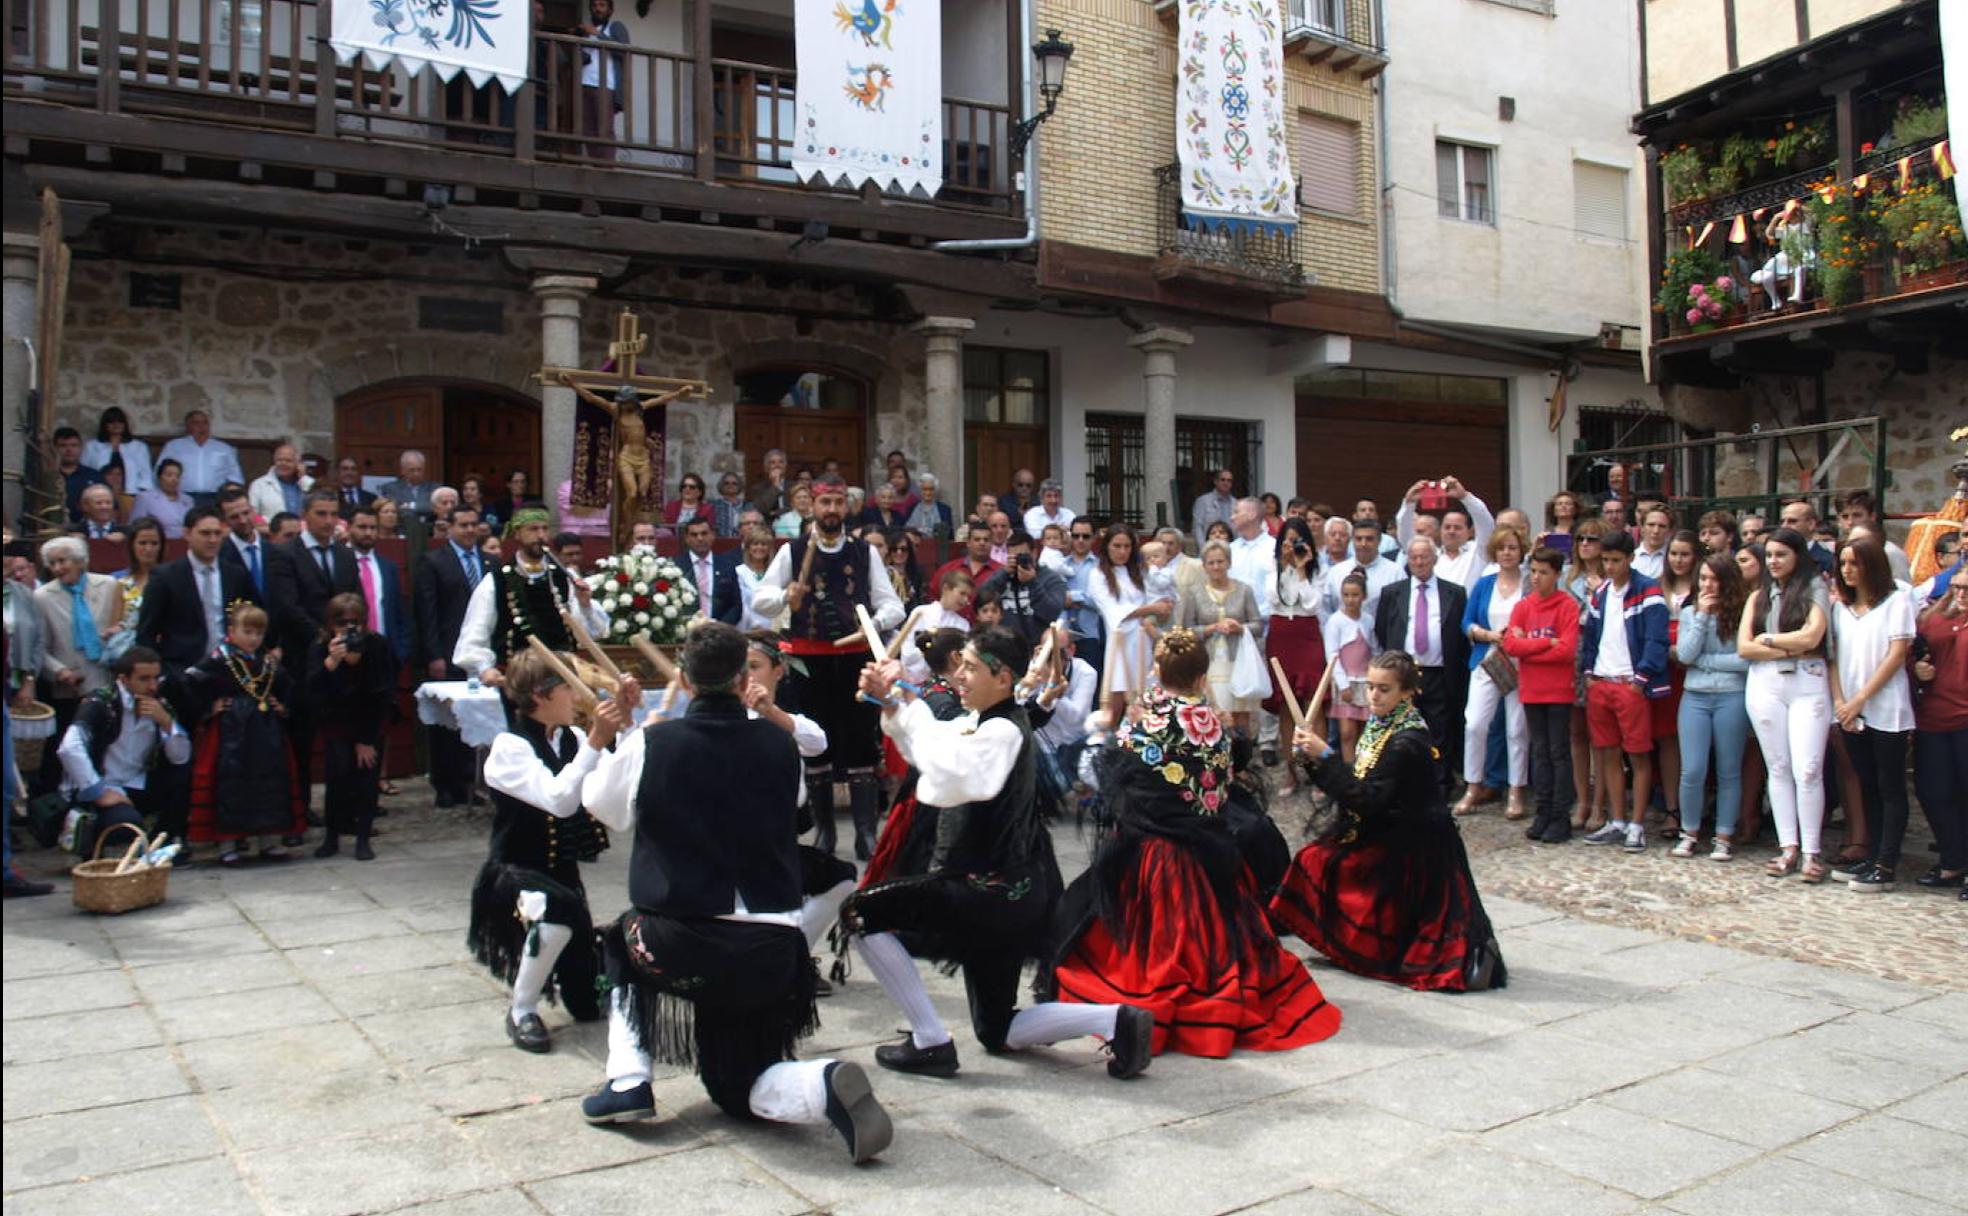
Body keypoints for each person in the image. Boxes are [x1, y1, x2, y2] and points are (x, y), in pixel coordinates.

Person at [575, 625, 895, 1160]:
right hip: (773, 950)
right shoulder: (780, 743)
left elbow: (601, 807)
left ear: (683, 680)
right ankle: (822, 1082)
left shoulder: (654, 743)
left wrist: (620, 740)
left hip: (682, 938)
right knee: (737, 1085)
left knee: (619, 940)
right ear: (743, 678)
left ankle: (629, 1079)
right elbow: (791, 807)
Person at [846, 628, 1157, 1081]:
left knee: (859, 914)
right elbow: (930, 750)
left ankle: (929, 1040)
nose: (960, 676)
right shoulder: (981, 719)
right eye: (961, 666)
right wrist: (893, 703)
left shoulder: (1001, 730)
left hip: (982, 892)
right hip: (1009, 893)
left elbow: (952, 770)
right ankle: (1114, 1020)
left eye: (971, 668)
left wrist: (905, 702)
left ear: (1004, 676)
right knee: (997, 1029)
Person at [1043, 629, 1341, 1058]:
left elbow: (1118, 779)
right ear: (1202, 677)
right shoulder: (1214, 725)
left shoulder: (1148, 723)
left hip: (1158, 852)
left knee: (1150, 943)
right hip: (1209, 847)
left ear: (1158, 672)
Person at [1272, 651, 1507, 992]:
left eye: (1384, 689)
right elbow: (1359, 780)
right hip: (1387, 827)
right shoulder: (1383, 725)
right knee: (1318, 857)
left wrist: (1325, 756)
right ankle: (1347, 945)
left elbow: (1367, 798)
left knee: (1320, 861)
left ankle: (1360, 948)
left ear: (1407, 692)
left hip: (1412, 844)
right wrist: (1312, 760)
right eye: (1370, 687)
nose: (1374, 696)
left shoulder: (1407, 741)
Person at [471, 647, 619, 1050]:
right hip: (516, 873)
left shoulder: (570, 738)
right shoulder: (509, 747)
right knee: (557, 916)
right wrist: (596, 742)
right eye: (569, 687)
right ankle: (522, 1009)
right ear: (540, 695)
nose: (578, 695)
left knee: (587, 1005)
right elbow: (559, 800)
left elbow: (612, 791)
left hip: (562, 873)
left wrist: (628, 723)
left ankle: (597, 954)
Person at [748, 484, 905, 859]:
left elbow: (894, 606)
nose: (832, 509)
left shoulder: (864, 551)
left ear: (847, 507)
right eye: (825, 502)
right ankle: (825, 834)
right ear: (813, 507)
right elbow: (760, 601)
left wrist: (870, 622)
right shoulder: (792, 550)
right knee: (814, 743)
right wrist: (787, 596)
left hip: (854, 659)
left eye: (838, 502)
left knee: (860, 743)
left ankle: (867, 834)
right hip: (807, 661)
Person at [1737, 526, 1832, 881]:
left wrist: (1772, 638)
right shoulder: (1759, 595)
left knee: (1807, 767)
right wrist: (1789, 645)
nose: (1774, 562)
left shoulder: (1814, 588)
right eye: (1770, 555)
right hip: (1766, 682)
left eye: (1782, 555)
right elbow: (1744, 646)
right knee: (1777, 765)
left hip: (1807, 680)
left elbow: (1814, 636)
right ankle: (1788, 845)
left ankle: (1811, 850)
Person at [180, 603, 303, 864]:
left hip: (265, 729)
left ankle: (269, 840)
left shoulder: (267, 662)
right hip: (230, 730)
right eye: (247, 632)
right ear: (232, 631)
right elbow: (188, 681)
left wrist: (283, 706)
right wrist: (209, 708)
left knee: (269, 780)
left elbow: (288, 686)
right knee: (230, 782)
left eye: (259, 634)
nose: (253, 639)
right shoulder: (219, 659)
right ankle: (228, 844)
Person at [1827, 536, 1916, 892]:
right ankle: (1871, 853)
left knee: (1890, 785)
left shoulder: (1897, 602)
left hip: (1884, 707)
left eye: (1854, 563)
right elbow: (1834, 658)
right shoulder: (1840, 608)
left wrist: (1860, 699)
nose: (1847, 570)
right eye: (1843, 563)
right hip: (1850, 710)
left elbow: (1896, 655)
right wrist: (1841, 702)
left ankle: (1887, 862)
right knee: (1866, 784)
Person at [267, 490, 361, 812]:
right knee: (301, 740)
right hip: (302, 660)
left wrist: (347, 639)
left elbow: (355, 602)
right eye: (321, 514)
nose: (328, 521)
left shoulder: (345, 555)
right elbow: (286, 606)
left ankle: (345, 809)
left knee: (343, 737)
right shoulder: (285, 554)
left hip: (342, 659)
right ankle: (299, 809)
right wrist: (324, 639)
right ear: (305, 515)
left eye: (333, 514)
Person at [1578, 530, 1670, 853]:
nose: (1610, 566)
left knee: (1639, 753)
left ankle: (1637, 824)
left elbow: (1657, 639)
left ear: (1630, 558)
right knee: (1607, 752)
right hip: (1602, 681)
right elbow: (1590, 636)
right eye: (1605, 560)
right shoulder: (1600, 592)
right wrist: (1589, 673)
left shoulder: (1648, 590)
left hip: (1630, 683)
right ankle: (1617, 819)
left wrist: (1641, 678)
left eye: (1616, 560)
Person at [56, 646, 193, 858]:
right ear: (124, 679)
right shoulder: (101, 702)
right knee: (125, 824)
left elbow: (180, 756)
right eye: (144, 679)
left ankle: (161, 843)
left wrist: (166, 723)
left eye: (156, 678)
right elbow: (69, 747)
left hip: (135, 783)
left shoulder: (159, 705)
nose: (152, 686)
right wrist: (98, 792)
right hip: (102, 786)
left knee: (181, 777)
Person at [453, 508, 608, 684]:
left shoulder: (564, 577)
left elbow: (591, 634)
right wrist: (484, 668)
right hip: (518, 681)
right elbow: (475, 631)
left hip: (564, 679)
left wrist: (585, 605)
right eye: (533, 529)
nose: (541, 535)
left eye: (544, 528)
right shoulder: (496, 581)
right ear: (517, 533)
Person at [1670, 552, 1750, 861]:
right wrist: (1702, 617)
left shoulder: (1742, 612)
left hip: (1731, 696)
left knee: (1729, 769)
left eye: (1714, 579)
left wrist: (1708, 663)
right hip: (1695, 696)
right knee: (1692, 769)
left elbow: (1745, 658)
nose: (1708, 585)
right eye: (1703, 578)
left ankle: (1724, 834)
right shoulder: (1690, 612)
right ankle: (1689, 831)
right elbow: (1686, 654)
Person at [1374, 538, 1470, 792]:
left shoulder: (1455, 592)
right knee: (1401, 729)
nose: (1419, 562)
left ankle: (1439, 784)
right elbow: (1383, 629)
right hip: (1404, 674)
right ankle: (1403, 783)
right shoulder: (1392, 592)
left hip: (1439, 672)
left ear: (1434, 558)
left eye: (1424, 557)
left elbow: (1460, 636)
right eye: (1414, 557)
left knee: (1439, 730)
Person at [1500, 547, 1581, 843]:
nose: (1536, 577)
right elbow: (1511, 646)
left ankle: (1561, 815)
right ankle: (1543, 811)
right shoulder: (1523, 607)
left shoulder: (1566, 606)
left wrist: (1531, 647)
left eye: (1543, 572)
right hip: (1531, 689)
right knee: (1540, 751)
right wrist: (1547, 642)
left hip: (1558, 690)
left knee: (1558, 752)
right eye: (1533, 571)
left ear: (1557, 574)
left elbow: (1567, 650)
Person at [307, 593, 397, 859]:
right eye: (341, 623)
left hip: (369, 719)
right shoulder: (320, 647)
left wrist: (366, 739)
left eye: (354, 623)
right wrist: (331, 664)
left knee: (367, 777)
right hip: (337, 721)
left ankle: (363, 837)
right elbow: (312, 691)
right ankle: (331, 837)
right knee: (337, 776)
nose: (348, 629)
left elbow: (381, 693)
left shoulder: (376, 645)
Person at [133, 506, 258, 691]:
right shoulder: (165, 576)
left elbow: (252, 618)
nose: (213, 540)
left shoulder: (236, 574)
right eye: (205, 533)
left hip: (230, 672)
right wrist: (163, 675)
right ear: (187, 534)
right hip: (181, 674)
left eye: (217, 533)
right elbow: (147, 632)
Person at [416, 505, 490, 807]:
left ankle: (471, 782)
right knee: (447, 723)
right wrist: (433, 654)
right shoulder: (433, 562)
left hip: (481, 655)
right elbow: (426, 613)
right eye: (463, 525)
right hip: (447, 652)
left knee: (478, 720)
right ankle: (444, 784)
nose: (470, 530)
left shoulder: (491, 562)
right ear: (450, 528)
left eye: (474, 524)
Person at [1455, 526, 1529, 818]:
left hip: (1520, 663)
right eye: (1502, 548)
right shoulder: (1485, 584)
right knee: (1475, 723)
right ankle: (1473, 785)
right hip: (1487, 660)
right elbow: (1466, 621)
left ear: (1521, 550)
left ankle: (1516, 790)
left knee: (1516, 728)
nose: (1507, 553)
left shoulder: (1530, 583)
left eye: (1512, 547)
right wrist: (1485, 634)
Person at [1910, 563, 1967, 899]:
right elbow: (1916, 649)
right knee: (1933, 791)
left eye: (1967, 589)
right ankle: (1953, 858)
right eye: (1957, 587)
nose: (1961, 594)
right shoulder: (1937, 618)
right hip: (1934, 714)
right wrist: (1917, 668)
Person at [1175, 539, 1264, 736]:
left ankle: (1243, 760)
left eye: (1220, 562)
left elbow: (1258, 625)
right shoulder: (1194, 593)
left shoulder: (1244, 590)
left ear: (1229, 563)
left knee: (1241, 714)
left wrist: (1239, 627)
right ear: (1204, 565)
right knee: (1215, 711)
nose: (1216, 567)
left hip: (1238, 659)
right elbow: (1185, 630)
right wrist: (1210, 628)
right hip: (1209, 662)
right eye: (1211, 563)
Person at [1087, 524, 1168, 722]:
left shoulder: (1138, 572)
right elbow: (1113, 611)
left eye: (1127, 546)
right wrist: (1150, 610)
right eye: (1117, 546)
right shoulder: (1098, 574)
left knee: (1147, 695)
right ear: (1107, 547)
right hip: (1120, 640)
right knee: (1117, 695)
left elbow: (1156, 597)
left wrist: (1163, 606)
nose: (1122, 552)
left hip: (1144, 639)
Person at [35, 535, 122, 706]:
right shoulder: (42, 597)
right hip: (71, 685)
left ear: (80, 561)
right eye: (52, 563)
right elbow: (39, 646)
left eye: (62, 561)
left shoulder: (109, 585)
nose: (57, 568)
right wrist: (59, 671)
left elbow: (122, 625)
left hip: (109, 679)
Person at [979, 532, 1067, 650]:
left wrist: (1032, 582)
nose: (1019, 560)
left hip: (1039, 647)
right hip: (1006, 647)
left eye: (1023, 555)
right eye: (1014, 556)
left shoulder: (1051, 579)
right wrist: (1004, 574)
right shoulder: (1002, 576)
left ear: (1035, 553)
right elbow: (981, 598)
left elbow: (1051, 613)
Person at [156, 410, 243, 501]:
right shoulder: (174, 446)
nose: (201, 427)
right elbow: (160, 472)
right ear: (187, 426)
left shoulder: (224, 448)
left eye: (205, 423)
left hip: (214, 497)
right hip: (182, 496)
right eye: (196, 423)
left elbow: (235, 477)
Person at [931, 523, 1003, 621]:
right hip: (950, 628)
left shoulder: (1001, 572)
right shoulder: (948, 569)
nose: (982, 543)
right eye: (977, 539)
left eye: (986, 540)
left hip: (986, 632)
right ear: (968, 543)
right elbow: (933, 598)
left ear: (992, 543)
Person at [82, 407, 154, 495]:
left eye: (120, 421)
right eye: (111, 422)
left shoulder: (139, 447)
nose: (116, 424)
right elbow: (84, 471)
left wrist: (140, 492)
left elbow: (146, 474)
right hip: (99, 494)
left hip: (131, 494)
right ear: (105, 425)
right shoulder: (92, 446)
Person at [248, 443, 313, 522]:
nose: (283, 463)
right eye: (279, 460)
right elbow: (252, 514)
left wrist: (303, 477)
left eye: (288, 461)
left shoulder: (307, 482)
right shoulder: (259, 484)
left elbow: (318, 500)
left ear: (298, 463)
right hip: (271, 531)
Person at [129, 458, 192, 538]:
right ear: (160, 477)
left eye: (178, 476)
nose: (174, 479)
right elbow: (134, 526)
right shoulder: (145, 498)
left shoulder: (188, 500)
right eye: (169, 475)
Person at [1191, 469, 1236, 546]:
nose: (1226, 483)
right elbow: (1197, 528)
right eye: (1223, 480)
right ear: (1215, 482)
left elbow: (1239, 529)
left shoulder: (1236, 503)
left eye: (1229, 481)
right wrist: (1203, 548)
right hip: (1209, 546)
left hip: (1230, 546)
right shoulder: (1203, 501)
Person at [1538, 491, 1581, 558]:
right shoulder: (1548, 532)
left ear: (1575, 509)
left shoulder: (1581, 530)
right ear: (1553, 509)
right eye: (1559, 504)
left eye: (1568, 504)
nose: (1563, 506)